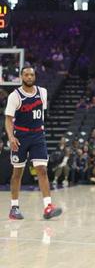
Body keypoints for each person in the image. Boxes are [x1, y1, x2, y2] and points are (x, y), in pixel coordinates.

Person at [4, 66, 62, 220]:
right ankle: (14, 208)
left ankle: (48, 207)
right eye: (26, 75)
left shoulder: (42, 92)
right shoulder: (15, 96)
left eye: (31, 74)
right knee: (17, 172)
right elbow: (8, 119)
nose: (29, 77)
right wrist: (11, 137)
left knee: (42, 170)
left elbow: (41, 114)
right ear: (21, 77)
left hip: (37, 136)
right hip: (20, 136)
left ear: (35, 76)